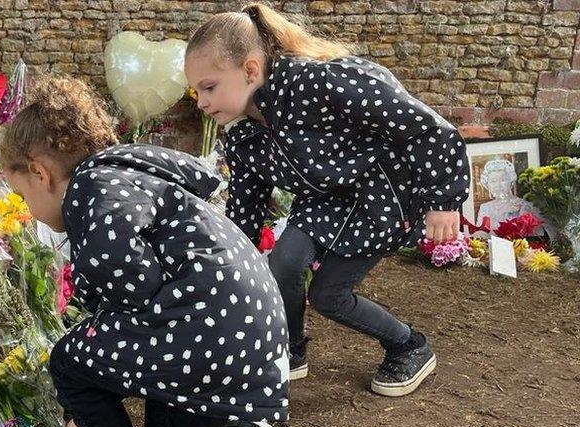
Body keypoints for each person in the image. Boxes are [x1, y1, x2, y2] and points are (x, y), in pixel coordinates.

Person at [0, 76, 322, 427]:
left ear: (41, 173)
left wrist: (86, 390)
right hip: (240, 335)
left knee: (69, 359)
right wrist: (93, 405)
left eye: (22, 195)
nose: (28, 210)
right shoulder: (129, 176)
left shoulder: (91, 187)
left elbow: (127, 280)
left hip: (207, 334)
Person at [185, 3, 470, 396]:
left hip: (380, 195)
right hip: (324, 199)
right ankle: (291, 348)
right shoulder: (242, 134)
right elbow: (247, 206)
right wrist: (228, 261)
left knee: (328, 296)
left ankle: (409, 344)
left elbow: (424, 126)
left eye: (209, 87)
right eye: (195, 90)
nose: (200, 101)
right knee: (283, 262)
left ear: (250, 69)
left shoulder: (317, 82)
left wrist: (444, 198)